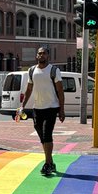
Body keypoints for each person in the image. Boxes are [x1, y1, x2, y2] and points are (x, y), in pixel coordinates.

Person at [19, 45, 65, 176]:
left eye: (44, 53)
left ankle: (47, 163)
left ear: (48, 56)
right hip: (37, 108)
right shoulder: (32, 70)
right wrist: (22, 105)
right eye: (39, 53)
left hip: (51, 107)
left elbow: (60, 91)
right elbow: (29, 89)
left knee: (46, 135)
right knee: (42, 137)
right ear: (36, 56)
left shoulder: (54, 71)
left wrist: (62, 110)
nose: (41, 55)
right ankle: (50, 162)